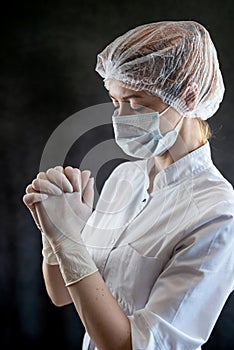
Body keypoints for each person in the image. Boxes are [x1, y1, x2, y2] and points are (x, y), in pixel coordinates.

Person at [23, 20, 234, 350]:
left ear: (189, 98)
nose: (121, 117)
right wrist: (60, 236)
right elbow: (62, 295)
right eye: (114, 100)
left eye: (136, 102)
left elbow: (132, 346)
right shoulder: (126, 177)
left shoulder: (217, 214)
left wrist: (71, 248)